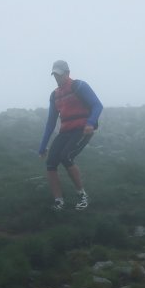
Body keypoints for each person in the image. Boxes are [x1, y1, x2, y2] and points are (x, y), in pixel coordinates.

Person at [38, 60, 103, 211]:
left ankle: (82, 196)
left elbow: (97, 105)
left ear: (67, 73)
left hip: (83, 129)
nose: (57, 77)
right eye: (55, 75)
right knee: (51, 163)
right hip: (66, 131)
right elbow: (51, 122)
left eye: (59, 74)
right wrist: (43, 146)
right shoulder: (55, 95)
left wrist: (90, 123)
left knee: (66, 157)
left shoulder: (79, 86)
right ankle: (59, 201)